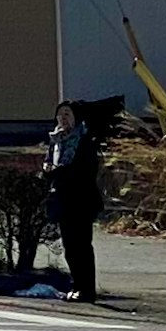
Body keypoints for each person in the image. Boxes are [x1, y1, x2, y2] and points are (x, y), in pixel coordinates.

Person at [45, 98, 105, 302]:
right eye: (60, 113)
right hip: (62, 200)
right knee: (70, 246)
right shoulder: (55, 140)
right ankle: (77, 285)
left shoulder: (85, 141)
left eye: (68, 113)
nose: (63, 117)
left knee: (82, 246)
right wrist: (46, 170)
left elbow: (86, 170)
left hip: (81, 200)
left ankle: (87, 289)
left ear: (76, 118)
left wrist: (60, 171)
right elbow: (49, 163)